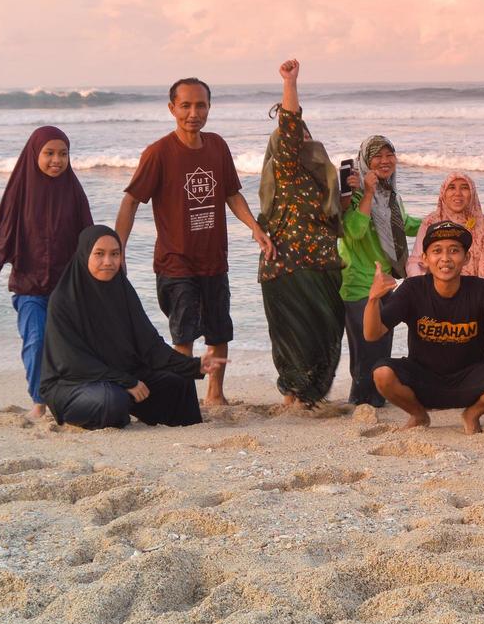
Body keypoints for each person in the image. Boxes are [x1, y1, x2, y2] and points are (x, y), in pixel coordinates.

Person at [115, 77, 275, 406]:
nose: (193, 112)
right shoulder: (158, 153)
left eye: (200, 105)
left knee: (219, 332)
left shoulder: (217, 145)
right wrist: (118, 249)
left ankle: (215, 395)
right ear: (172, 108)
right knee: (184, 334)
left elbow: (232, 193)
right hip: (176, 262)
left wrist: (254, 228)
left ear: (209, 108)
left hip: (214, 259)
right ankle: (183, 396)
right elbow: (131, 201)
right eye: (185, 105)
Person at [39, 226, 223, 429]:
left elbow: (150, 346)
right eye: (99, 254)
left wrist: (193, 365)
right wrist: (126, 381)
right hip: (73, 383)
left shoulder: (123, 292)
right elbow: (71, 362)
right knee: (111, 400)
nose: (108, 262)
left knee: (179, 380)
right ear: (84, 254)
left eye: (115, 254)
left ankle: (183, 426)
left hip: (121, 378)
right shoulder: (64, 300)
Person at [365, 222, 484, 434]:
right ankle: (418, 415)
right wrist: (372, 299)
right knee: (382, 374)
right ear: (425, 259)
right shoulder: (412, 289)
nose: (445, 258)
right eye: (437, 251)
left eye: (454, 251)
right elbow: (372, 334)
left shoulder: (482, 289)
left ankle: (473, 413)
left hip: (470, 380)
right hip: (423, 378)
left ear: (466, 258)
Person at [0, 125, 94, 419]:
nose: (57, 160)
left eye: (64, 154)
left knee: (69, 345)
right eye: (49, 153)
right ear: (34, 154)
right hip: (29, 288)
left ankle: (66, 398)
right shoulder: (20, 192)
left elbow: (89, 241)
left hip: (67, 288)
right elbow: (2, 241)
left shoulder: (74, 191)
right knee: (37, 340)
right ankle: (39, 403)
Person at [257, 59, 345, 407]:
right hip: (287, 268)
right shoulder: (287, 169)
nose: (300, 141)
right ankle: (295, 397)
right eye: (294, 138)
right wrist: (290, 83)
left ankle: (309, 397)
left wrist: (352, 194)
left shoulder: (324, 182)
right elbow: (290, 125)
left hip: (324, 267)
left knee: (327, 334)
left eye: (306, 136)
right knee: (293, 339)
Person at [340, 135, 422, 407]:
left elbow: (406, 224)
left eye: (390, 155)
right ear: (365, 160)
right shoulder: (352, 195)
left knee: (382, 345)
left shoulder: (390, 195)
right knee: (365, 350)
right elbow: (354, 230)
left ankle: (375, 400)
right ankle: (360, 403)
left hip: (386, 282)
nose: (385, 161)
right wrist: (367, 193)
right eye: (378, 156)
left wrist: (440, 220)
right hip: (357, 284)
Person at [408, 173, 484, 281]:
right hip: (437, 288)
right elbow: (416, 261)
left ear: (472, 193)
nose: (458, 193)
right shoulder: (431, 222)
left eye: (464, 188)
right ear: (444, 193)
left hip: (474, 289)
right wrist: (421, 279)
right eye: (451, 188)